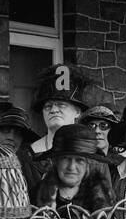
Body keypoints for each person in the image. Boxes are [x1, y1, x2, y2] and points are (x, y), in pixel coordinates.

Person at [19, 63, 89, 194]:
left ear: (77, 111)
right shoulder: (25, 157)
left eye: (61, 105)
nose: (54, 110)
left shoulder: (93, 156)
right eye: (48, 106)